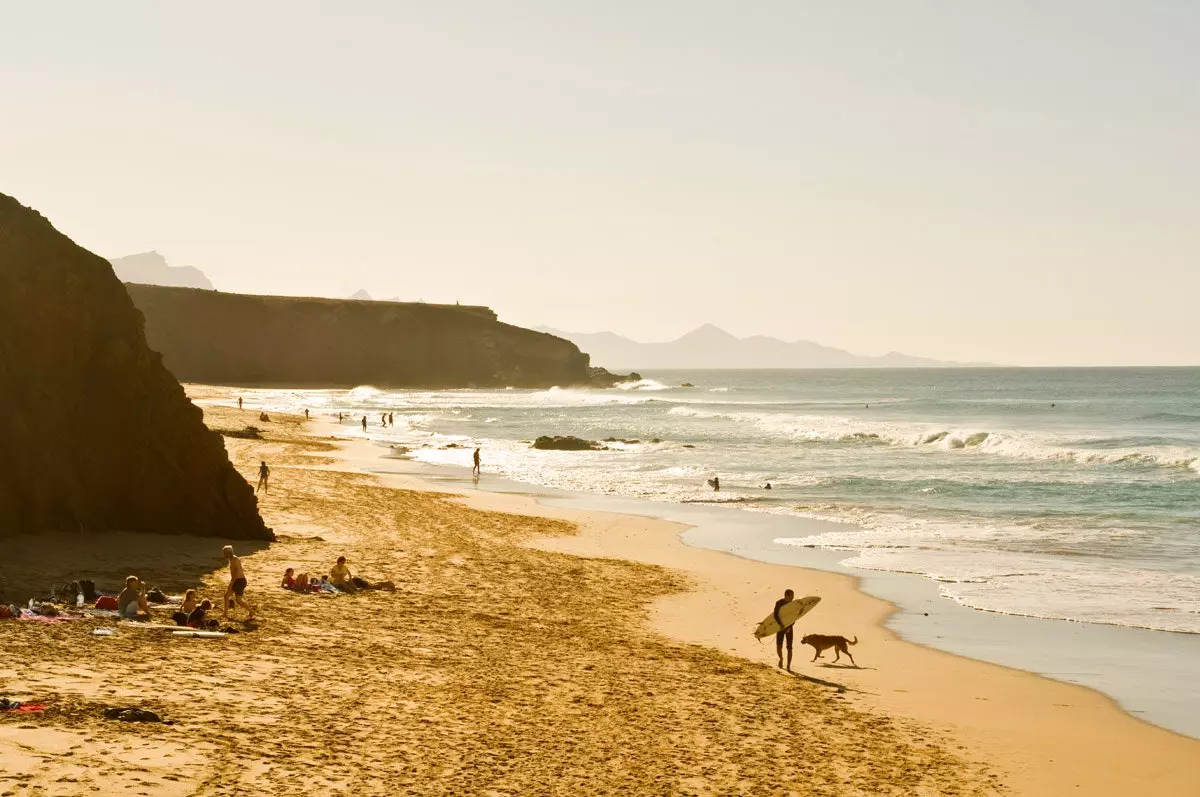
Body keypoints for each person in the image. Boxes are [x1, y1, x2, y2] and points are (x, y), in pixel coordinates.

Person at [222, 545, 255, 620]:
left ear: (229, 552)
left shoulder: (234, 559)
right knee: (237, 600)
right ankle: (251, 611)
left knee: (227, 596)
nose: (224, 554)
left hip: (239, 581)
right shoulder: (233, 559)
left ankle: (225, 614)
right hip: (240, 580)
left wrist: (232, 583)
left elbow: (236, 572)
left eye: (225, 552)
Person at [774, 589, 798, 671]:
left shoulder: (793, 604)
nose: (793, 597)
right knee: (778, 646)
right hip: (780, 627)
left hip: (789, 627)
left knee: (789, 648)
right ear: (786, 596)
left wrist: (789, 627)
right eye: (791, 595)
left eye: (793, 595)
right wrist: (780, 625)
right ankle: (781, 659)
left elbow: (794, 617)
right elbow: (775, 615)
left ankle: (788, 666)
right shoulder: (779, 603)